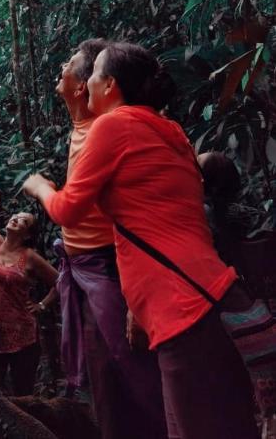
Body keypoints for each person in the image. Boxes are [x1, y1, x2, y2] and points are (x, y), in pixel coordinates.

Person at [23, 41, 259, 439]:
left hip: (181, 308)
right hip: (211, 292)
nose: (88, 82)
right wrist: (136, 307)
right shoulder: (169, 129)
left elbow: (67, 210)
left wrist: (41, 188)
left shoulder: (112, 126)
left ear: (109, 84)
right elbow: (156, 221)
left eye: (94, 73)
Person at [54, 39, 168, 439]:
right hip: (89, 272)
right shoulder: (83, 127)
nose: (61, 70)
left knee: (131, 379)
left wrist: (135, 299)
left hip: (111, 270)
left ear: (85, 85)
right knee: (107, 383)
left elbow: (136, 212)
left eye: (69, 64)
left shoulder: (105, 130)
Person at [0, 146, 58, 395]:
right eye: (16, 215)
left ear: (27, 234)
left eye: (24, 220)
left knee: (24, 396)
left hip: (22, 338)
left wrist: (42, 305)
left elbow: (62, 280)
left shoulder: (30, 257)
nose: (16, 218)